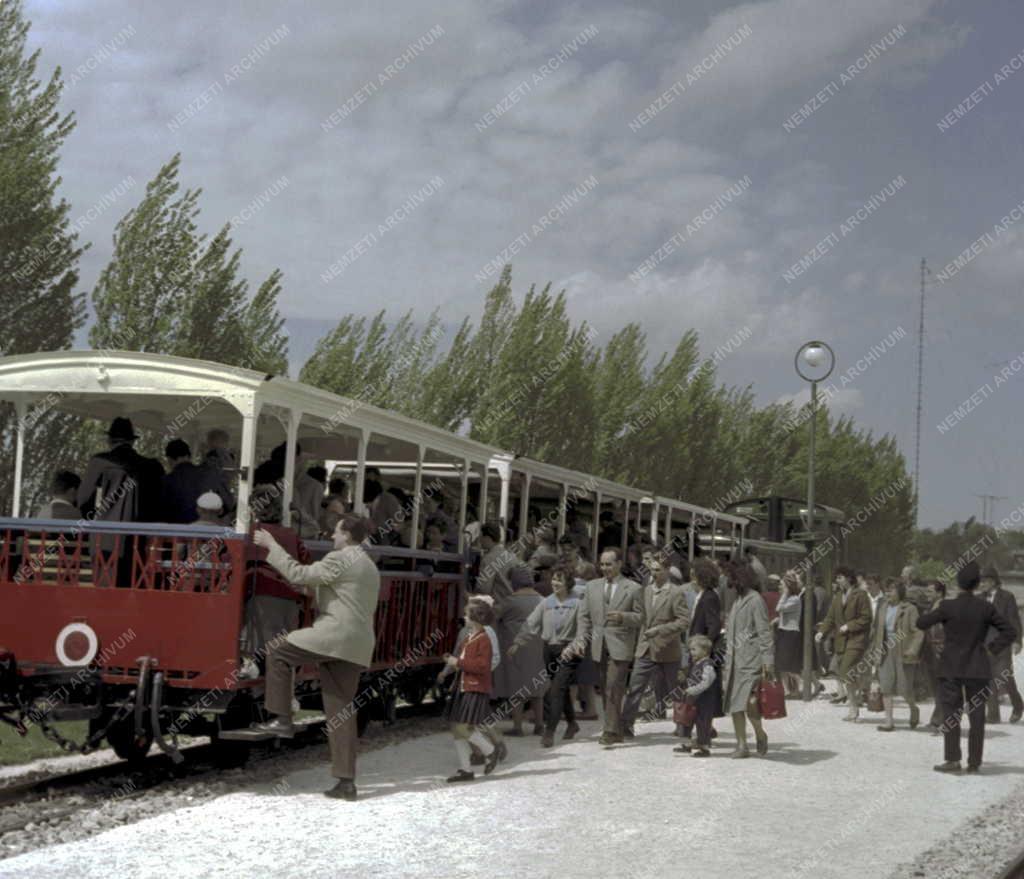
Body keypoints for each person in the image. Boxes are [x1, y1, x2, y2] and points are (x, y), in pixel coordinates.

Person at [250, 513, 380, 800]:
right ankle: (346, 782)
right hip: (357, 644)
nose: (332, 536)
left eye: (336, 532)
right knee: (341, 712)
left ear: (346, 535)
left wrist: (272, 546)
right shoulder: (368, 565)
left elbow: (300, 574)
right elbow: (336, 592)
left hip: (333, 634)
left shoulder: (340, 558)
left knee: (277, 651)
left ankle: (282, 717)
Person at [917, 560, 1016, 773]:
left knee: (951, 714)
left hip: (951, 667)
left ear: (958, 584)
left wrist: (932, 609)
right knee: (977, 716)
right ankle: (974, 763)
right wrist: (991, 649)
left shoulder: (947, 606)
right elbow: (1010, 631)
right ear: (977, 584)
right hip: (977, 668)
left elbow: (921, 623)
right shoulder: (986, 607)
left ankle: (953, 759)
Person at [78, 417, 165, 587]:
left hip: (105, 538)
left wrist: (90, 522)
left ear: (110, 440)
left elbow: (83, 499)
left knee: (105, 589)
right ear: (132, 441)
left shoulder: (100, 462)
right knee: (131, 587)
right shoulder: (151, 466)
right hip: (138, 538)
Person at [569, 548, 643, 745]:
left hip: (620, 645)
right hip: (597, 645)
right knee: (605, 687)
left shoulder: (633, 588)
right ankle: (617, 727)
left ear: (619, 564)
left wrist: (623, 617)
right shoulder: (592, 587)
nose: (605, 568)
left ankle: (609, 730)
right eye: (602, 564)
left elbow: (642, 617)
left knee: (613, 686)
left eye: (609, 564)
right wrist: (579, 639)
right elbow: (584, 616)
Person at [510, 566, 583, 747]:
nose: (555, 583)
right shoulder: (546, 602)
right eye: (554, 579)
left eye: (560, 580)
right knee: (561, 689)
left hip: (569, 651)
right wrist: (518, 642)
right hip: (549, 650)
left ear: (568, 584)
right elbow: (531, 623)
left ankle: (549, 732)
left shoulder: (578, 603)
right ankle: (572, 724)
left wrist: (575, 646)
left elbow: (583, 629)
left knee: (555, 690)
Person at [620, 556, 690, 737]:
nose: (654, 574)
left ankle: (683, 725)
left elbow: (683, 621)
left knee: (676, 690)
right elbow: (640, 617)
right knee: (635, 688)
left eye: (658, 570)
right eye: (652, 570)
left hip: (667, 649)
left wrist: (660, 630)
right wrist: (623, 618)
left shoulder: (676, 593)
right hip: (645, 649)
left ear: (667, 570)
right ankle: (626, 725)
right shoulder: (644, 592)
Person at [442, 597, 501, 783]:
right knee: (456, 729)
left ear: (475, 618)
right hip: (465, 687)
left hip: (475, 688)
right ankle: (465, 769)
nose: (464, 617)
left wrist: (457, 662)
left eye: (466, 615)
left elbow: (482, 666)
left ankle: (491, 751)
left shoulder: (483, 639)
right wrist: (454, 661)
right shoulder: (470, 636)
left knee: (462, 727)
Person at [722, 564, 775, 758]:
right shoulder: (738, 601)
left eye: (732, 579)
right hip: (734, 663)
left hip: (751, 661)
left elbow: (764, 632)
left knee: (750, 703)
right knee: (735, 705)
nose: (730, 584)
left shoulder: (755, 600)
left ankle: (760, 734)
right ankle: (742, 745)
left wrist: (768, 661)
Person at [815, 566, 871, 722]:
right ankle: (854, 707)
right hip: (841, 642)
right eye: (836, 578)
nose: (837, 581)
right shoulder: (838, 596)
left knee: (846, 672)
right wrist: (822, 632)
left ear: (848, 578)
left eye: (839, 578)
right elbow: (830, 618)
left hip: (856, 640)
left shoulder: (861, 595)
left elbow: (866, 618)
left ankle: (858, 699)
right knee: (846, 675)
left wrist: (850, 626)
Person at [494, 566, 545, 736]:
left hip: (515, 646)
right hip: (538, 646)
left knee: (517, 686)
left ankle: (517, 726)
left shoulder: (510, 601)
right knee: (537, 686)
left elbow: (494, 616)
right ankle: (539, 724)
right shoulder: (542, 600)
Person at [872, 580, 924, 732]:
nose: (888, 593)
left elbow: (918, 631)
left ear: (900, 592)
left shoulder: (910, 609)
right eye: (887, 590)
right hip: (885, 649)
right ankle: (889, 721)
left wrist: (913, 650)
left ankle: (913, 709)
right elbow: (876, 631)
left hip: (903, 649)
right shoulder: (882, 607)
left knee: (905, 688)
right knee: (886, 686)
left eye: (892, 590)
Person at [979, 567, 1023, 724]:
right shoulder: (979, 598)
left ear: (992, 581)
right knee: (989, 678)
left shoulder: (1007, 597)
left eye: (983, 581)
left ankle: (1018, 705)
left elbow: (1014, 620)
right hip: (985, 645)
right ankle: (993, 715)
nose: (981, 584)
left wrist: (1017, 641)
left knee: (1004, 676)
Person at [687, 557, 724, 738]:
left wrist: (703, 648)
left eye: (694, 572)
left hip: (702, 652)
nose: (691, 575)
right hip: (698, 650)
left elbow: (714, 625)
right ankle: (704, 729)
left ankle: (703, 733)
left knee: (703, 694)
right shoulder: (703, 595)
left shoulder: (709, 596)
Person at [675, 635, 717, 757]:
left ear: (704, 650)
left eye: (694, 649)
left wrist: (693, 690)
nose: (691, 652)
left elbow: (707, 682)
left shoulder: (707, 665)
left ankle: (704, 747)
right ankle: (686, 744)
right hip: (693, 700)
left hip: (704, 701)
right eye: (690, 649)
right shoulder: (696, 664)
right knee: (686, 721)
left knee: (702, 723)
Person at [161, 439, 209, 525]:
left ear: (170, 459)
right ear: (188, 456)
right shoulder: (205, 475)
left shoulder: (168, 480)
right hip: (203, 530)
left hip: (177, 532)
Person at [773, 570, 804, 697]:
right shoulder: (789, 599)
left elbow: (778, 608)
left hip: (790, 633)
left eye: (783, 585)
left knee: (789, 664)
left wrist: (784, 594)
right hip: (783, 631)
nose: (780, 587)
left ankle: (801, 684)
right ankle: (786, 690)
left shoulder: (794, 599)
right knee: (781, 664)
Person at [923, 579, 947, 729]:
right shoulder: (930, 608)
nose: (927, 594)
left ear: (939, 593)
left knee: (943, 686)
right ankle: (938, 717)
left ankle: (941, 719)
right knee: (935, 686)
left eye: (930, 591)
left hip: (942, 651)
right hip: (930, 651)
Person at [476, 523, 520, 603]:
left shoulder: (489, 559)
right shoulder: (511, 556)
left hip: (498, 607)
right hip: (514, 605)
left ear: (488, 538)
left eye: (481, 536)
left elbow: (484, 589)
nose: (479, 539)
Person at [200, 428, 236, 515]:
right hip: (227, 497)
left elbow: (207, 476)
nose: (207, 443)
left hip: (215, 495)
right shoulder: (230, 458)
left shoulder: (213, 456)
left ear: (215, 441)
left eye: (209, 440)